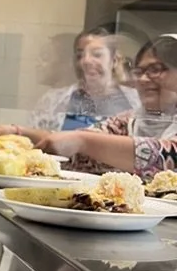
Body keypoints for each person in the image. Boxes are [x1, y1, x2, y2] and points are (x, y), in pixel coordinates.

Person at [37, 35, 177, 178]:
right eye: (139, 72)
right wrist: (20, 133)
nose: (143, 79)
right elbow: (76, 142)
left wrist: (83, 141)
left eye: (155, 70)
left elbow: (166, 156)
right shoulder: (129, 121)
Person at [0, 28, 139, 142]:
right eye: (80, 55)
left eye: (97, 54)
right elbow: (33, 146)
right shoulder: (53, 100)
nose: (86, 61)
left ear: (114, 60)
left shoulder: (136, 101)